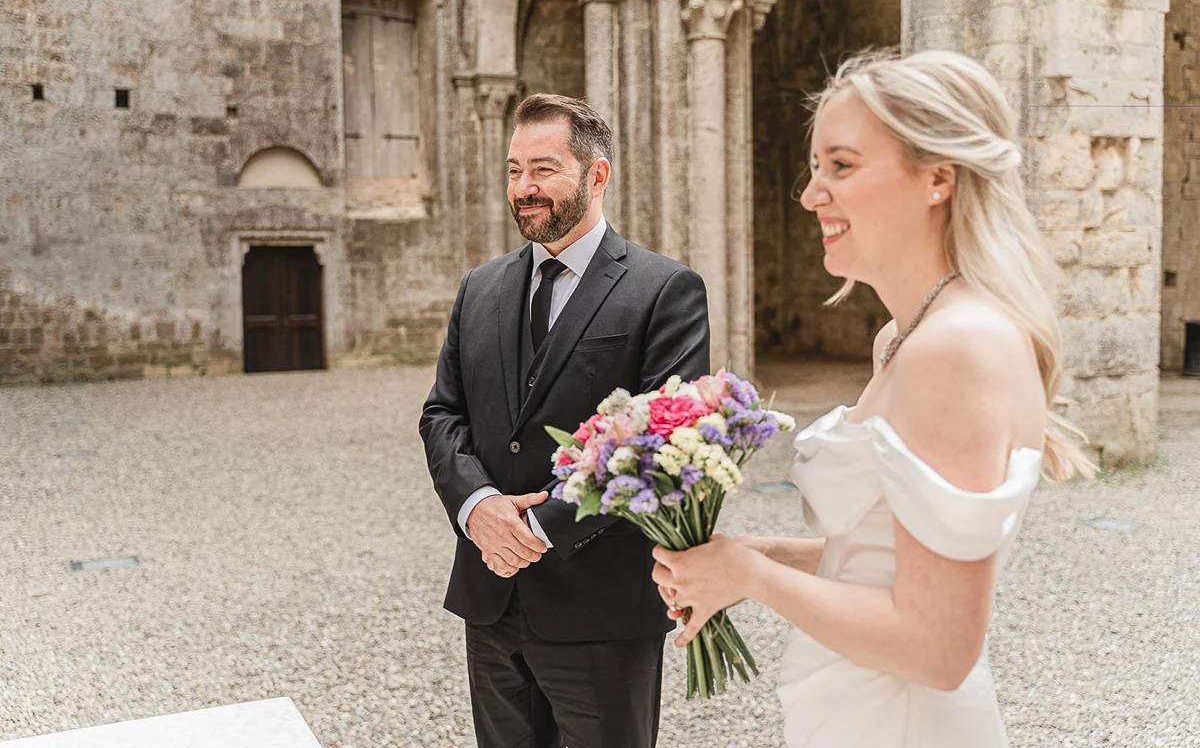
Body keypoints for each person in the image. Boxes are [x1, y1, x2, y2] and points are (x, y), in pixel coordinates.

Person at [651, 49, 1094, 747]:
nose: (809, 193)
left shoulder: (958, 349)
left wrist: (753, 577)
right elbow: (883, 557)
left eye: (842, 165)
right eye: (816, 166)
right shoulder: (903, 339)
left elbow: (939, 651)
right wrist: (741, 559)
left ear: (938, 178)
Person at [419, 93, 710, 748]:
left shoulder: (665, 290)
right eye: (515, 169)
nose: (525, 188)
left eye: (544, 169)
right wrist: (480, 508)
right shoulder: (480, 287)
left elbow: (660, 445)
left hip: (601, 608)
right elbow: (443, 413)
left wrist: (537, 531)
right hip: (489, 599)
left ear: (597, 175)